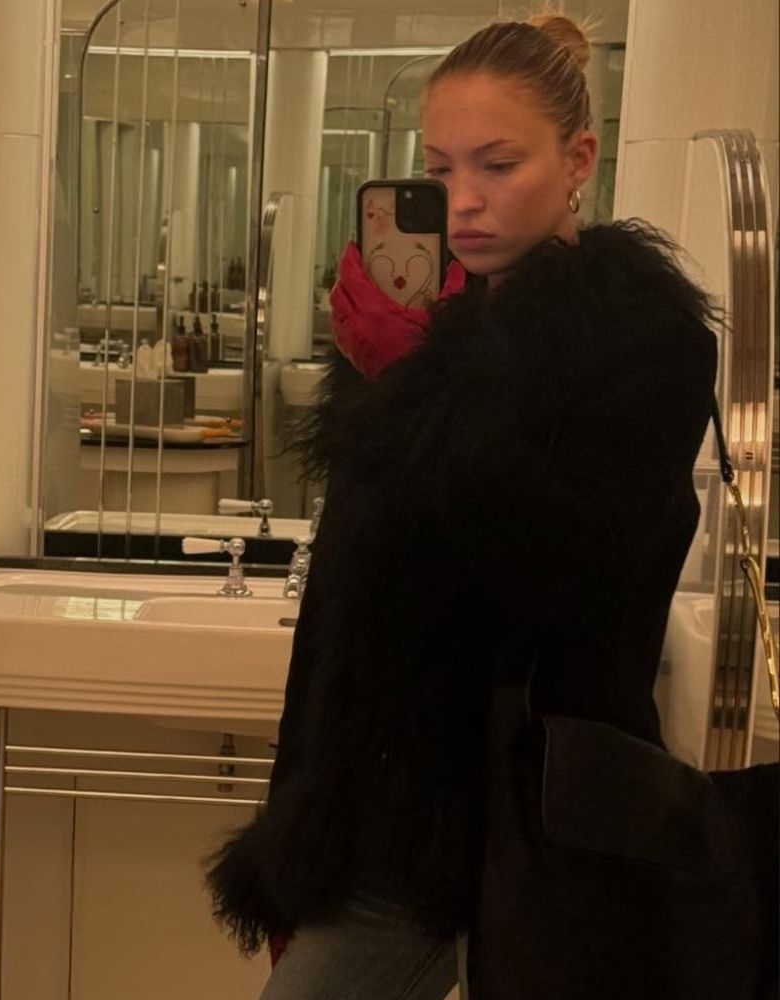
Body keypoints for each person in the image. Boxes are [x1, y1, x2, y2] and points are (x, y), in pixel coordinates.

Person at [205, 14, 719, 1000]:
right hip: (387, 815)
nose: (464, 200)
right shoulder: (424, 322)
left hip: (534, 794)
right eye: (439, 170)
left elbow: (576, 581)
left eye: (497, 164)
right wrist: (299, 843)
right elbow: (346, 615)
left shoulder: (644, 340)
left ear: (578, 158)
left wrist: (415, 385)